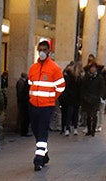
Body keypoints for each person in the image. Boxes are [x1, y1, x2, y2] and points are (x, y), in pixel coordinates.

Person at [27, 39, 65, 171]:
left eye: (44, 50)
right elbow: (30, 84)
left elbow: (61, 87)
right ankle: (44, 153)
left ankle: (38, 159)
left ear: (49, 51)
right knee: (36, 131)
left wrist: (51, 98)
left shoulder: (54, 68)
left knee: (42, 131)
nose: (42, 52)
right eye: (40, 50)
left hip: (46, 106)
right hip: (33, 105)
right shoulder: (33, 68)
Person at [81, 63, 106, 137]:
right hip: (87, 98)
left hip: (95, 99)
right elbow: (83, 87)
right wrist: (84, 96)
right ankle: (89, 130)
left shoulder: (99, 78)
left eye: (94, 68)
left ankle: (93, 130)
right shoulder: (87, 77)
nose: (92, 69)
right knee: (88, 115)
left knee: (94, 114)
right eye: (91, 68)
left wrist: (99, 96)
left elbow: (102, 88)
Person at [60, 61, 82, 136]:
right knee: (72, 113)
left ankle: (68, 128)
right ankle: (70, 128)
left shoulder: (77, 77)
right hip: (72, 97)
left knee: (71, 113)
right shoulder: (71, 77)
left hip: (73, 97)